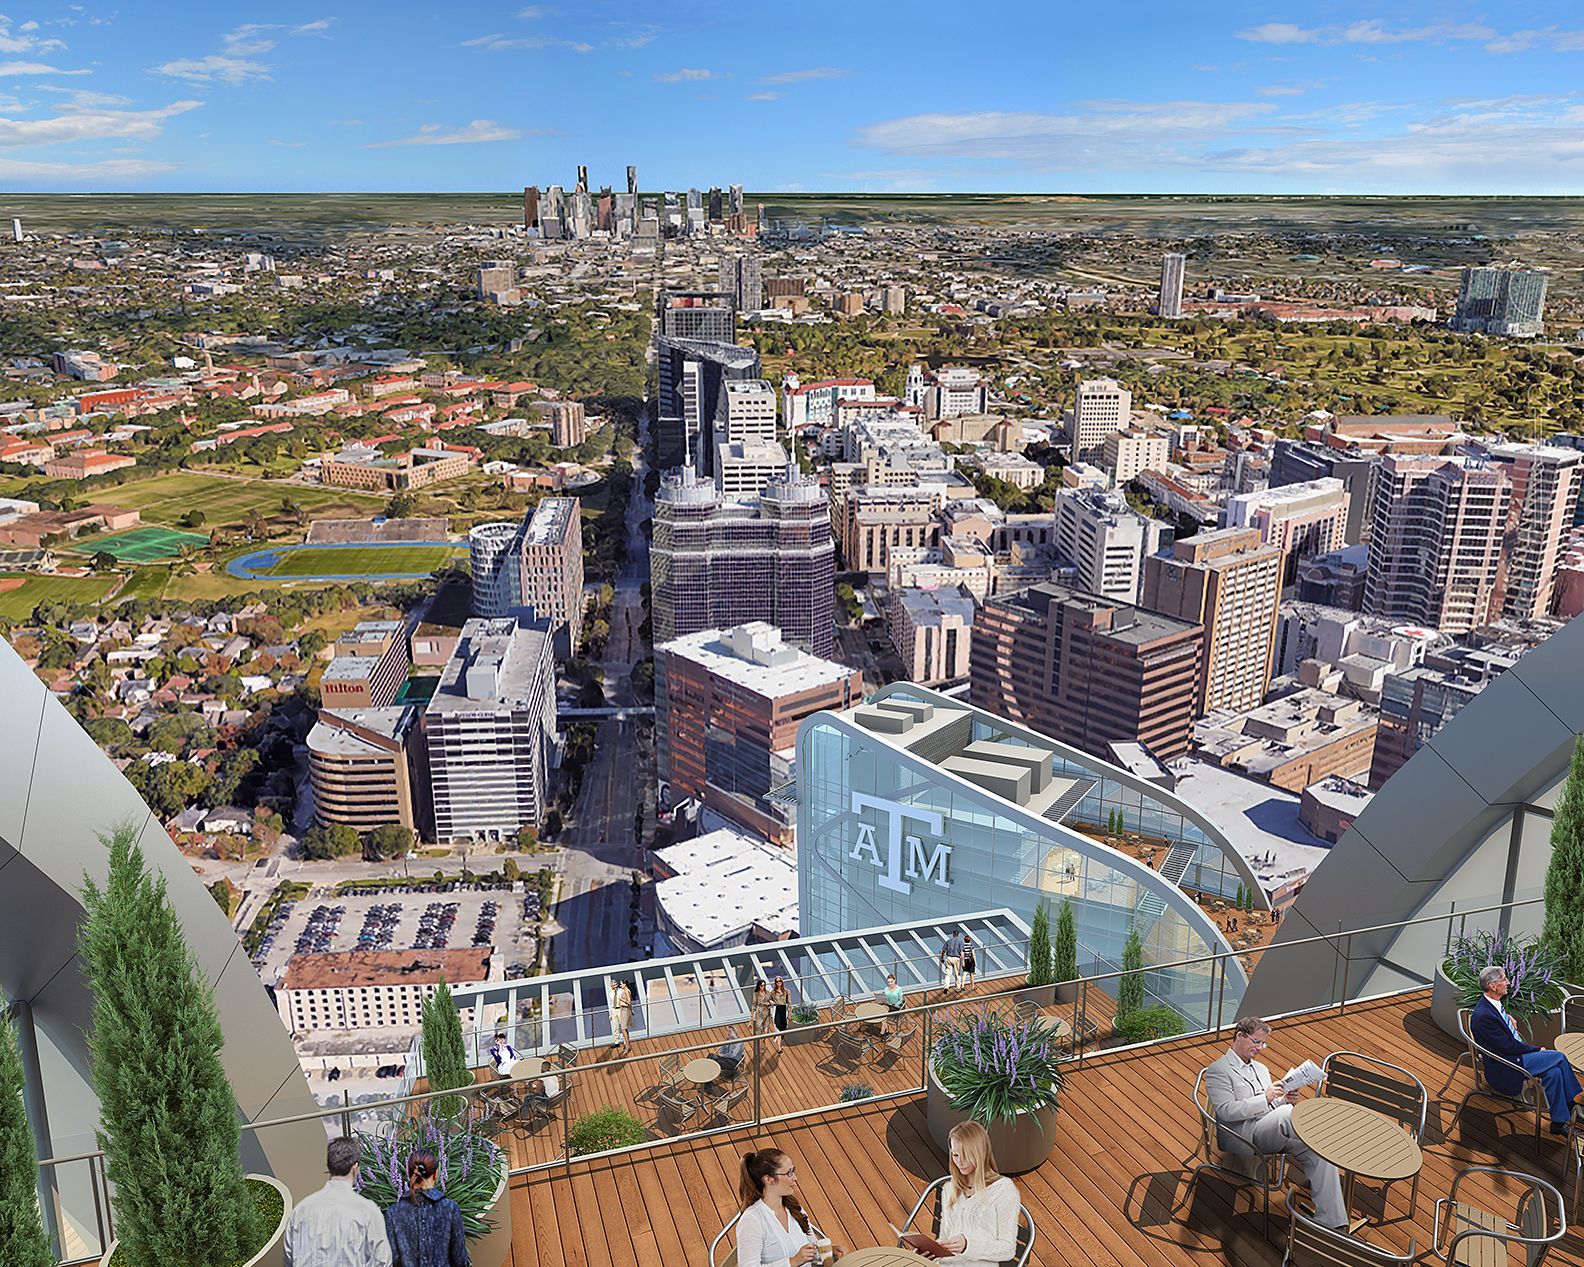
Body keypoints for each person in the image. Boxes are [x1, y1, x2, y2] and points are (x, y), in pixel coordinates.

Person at [1204, 1015, 1346, 1229]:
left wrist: (1282, 1099)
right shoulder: (1219, 1071)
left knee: (1318, 1152)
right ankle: (1323, 1133)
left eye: (1263, 1043)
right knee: (1290, 1115)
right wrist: (1267, 1099)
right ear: (1240, 1036)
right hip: (1242, 1136)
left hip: (1269, 1129)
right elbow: (1225, 1111)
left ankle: (1331, 1222)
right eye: (1256, 1041)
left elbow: (1269, 1107)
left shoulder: (1261, 1069)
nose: (1260, 1048)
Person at [1471, 963, 1582, 1135]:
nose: (1508, 982)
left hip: (1513, 1055)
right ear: (1492, 986)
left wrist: (1507, 1019)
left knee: (1554, 1073)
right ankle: (1572, 1105)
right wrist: (1537, 1050)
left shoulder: (1492, 1005)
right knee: (1558, 1057)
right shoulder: (1484, 1015)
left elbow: (1502, 1036)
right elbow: (1508, 1046)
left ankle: (1558, 1123)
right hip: (1507, 1065)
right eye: (1504, 979)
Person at [919, 1120, 1020, 1267]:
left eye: (966, 1155)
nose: (960, 1162)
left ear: (980, 1153)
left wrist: (968, 1246)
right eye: (955, 1155)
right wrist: (931, 1253)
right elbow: (945, 1239)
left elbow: (1007, 1249)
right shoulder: (950, 1189)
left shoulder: (1004, 1190)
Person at [283, 1136, 392, 1267]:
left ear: (329, 1166)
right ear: (355, 1167)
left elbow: (289, 1258)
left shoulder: (300, 1211)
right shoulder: (368, 1211)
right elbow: (382, 1261)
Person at [735, 1149, 846, 1267]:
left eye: (793, 1171)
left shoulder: (794, 1207)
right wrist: (792, 1262)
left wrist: (829, 1252)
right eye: (789, 1173)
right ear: (768, 1179)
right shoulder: (751, 1220)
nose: (795, 1177)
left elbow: (812, 1248)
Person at [384, 1149, 469, 1267]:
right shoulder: (450, 1209)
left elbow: (392, 1260)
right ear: (435, 1174)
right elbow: (459, 1260)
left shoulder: (393, 1213)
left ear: (409, 1174)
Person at [611, 979, 634, 1051]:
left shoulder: (624, 991)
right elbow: (610, 1003)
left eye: (620, 984)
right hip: (617, 1009)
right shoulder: (611, 993)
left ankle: (626, 1045)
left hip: (622, 1010)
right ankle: (622, 1044)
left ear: (625, 984)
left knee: (624, 1028)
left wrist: (621, 1000)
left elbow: (629, 1002)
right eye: (614, 984)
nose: (619, 985)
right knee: (619, 1027)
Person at [940, 929, 965, 995]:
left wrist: (942, 958)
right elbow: (962, 953)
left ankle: (946, 987)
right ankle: (958, 987)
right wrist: (963, 961)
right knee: (957, 974)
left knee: (948, 974)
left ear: (953, 934)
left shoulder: (948, 941)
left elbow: (943, 951)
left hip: (949, 958)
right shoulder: (960, 942)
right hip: (956, 958)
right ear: (958, 934)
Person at [770, 977, 790, 1056]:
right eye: (777, 981)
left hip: (784, 1010)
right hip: (777, 1009)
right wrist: (772, 1002)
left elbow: (789, 1002)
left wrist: (790, 1013)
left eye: (780, 981)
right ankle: (779, 1047)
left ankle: (779, 1042)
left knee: (783, 1028)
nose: (778, 982)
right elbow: (769, 1000)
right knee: (777, 1028)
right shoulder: (773, 992)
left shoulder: (787, 991)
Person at [751, 979, 772, 1052]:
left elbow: (772, 1001)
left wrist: (769, 1004)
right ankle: (760, 1046)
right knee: (759, 1030)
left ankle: (762, 1042)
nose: (763, 987)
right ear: (759, 986)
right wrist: (751, 1017)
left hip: (767, 1012)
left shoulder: (768, 993)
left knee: (766, 1031)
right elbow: (754, 1005)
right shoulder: (756, 994)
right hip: (759, 1012)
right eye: (761, 985)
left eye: (764, 985)